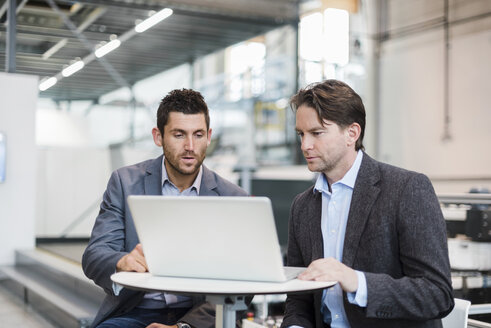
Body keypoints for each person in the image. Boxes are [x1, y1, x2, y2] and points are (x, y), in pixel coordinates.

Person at [281, 80, 454, 328]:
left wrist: (355, 281)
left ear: (352, 133)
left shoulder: (406, 189)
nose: (305, 145)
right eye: (301, 134)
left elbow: (437, 294)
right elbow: (299, 299)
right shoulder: (302, 206)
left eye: (317, 133)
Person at [82, 88, 247, 328]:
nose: (190, 146)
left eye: (198, 135)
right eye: (179, 135)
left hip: (198, 317)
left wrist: (183, 327)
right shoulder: (125, 183)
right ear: (158, 136)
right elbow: (95, 256)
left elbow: (241, 284)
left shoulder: (233, 198)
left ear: (209, 136)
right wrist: (122, 262)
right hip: (134, 311)